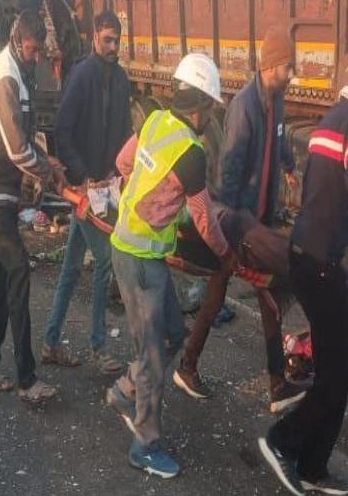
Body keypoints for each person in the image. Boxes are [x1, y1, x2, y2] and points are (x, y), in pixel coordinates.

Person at [260, 33, 348, 496]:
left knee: (342, 375)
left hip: (313, 261)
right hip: (317, 265)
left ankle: (314, 468)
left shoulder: (333, 118)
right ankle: (282, 442)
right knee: (339, 376)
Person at [105, 53, 239, 479]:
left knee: (171, 338)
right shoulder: (191, 153)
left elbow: (124, 164)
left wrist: (153, 200)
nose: (211, 118)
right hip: (140, 261)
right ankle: (145, 445)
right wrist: (226, 256)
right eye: (212, 108)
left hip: (135, 251)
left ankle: (124, 392)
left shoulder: (154, 121)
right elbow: (205, 220)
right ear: (201, 106)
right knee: (152, 355)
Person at [174, 22, 304, 413]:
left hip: (258, 217)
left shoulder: (276, 100)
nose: (292, 74)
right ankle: (274, 383)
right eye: (289, 66)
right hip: (239, 221)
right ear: (272, 65)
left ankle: (190, 366)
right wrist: (228, 226)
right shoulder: (244, 107)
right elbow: (229, 169)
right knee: (254, 296)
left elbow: (279, 137)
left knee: (236, 298)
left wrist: (288, 165)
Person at [0, 10, 66, 404]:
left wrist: (45, 161)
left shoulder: (21, 70)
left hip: (2, 188)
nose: (37, 57)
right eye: (32, 49)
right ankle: (27, 379)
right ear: (17, 39)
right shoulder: (6, 75)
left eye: (40, 51)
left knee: (2, 282)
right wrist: (48, 172)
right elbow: (15, 148)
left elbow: (26, 136)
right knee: (19, 272)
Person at [41, 10, 131, 374]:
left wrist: (116, 172)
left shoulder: (121, 79)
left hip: (106, 187)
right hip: (83, 188)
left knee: (71, 268)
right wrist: (81, 176)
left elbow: (124, 131)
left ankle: (50, 342)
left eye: (117, 41)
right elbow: (63, 131)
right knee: (104, 260)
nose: (113, 47)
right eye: (107, 40)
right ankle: (98, 345)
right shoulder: (82, 75)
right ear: (94, 37)